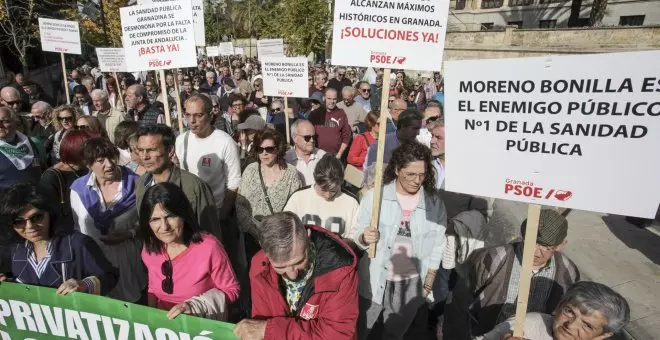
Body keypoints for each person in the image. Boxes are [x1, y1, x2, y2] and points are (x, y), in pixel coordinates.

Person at [354, 142, 446, 340]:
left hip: (410, 283)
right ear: (397, 170)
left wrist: (429, 279)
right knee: (363, 331)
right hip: (374, 278)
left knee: (394, 334)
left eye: (422, 174)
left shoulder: (434, 204)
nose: (417, 180)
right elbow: (356, 233)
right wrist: (363, 237)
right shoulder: (374, 198)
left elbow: (438, 243)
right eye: (410, 174)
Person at [443, 209, 581, 339]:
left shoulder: (568, 272)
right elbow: (473, 287)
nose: (536, 252)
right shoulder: (494, 258)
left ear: (561, 245)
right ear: (524, 235)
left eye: (547, 247)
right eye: (533, 242)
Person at [233, 212, 358, 340]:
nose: (292, 274)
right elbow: (261, 318)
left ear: (307, 237)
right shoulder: (260, 266)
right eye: (280, 267)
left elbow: (338, 334)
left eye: (299, 262)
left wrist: (270, 330)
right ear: (266, 254)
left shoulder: (339, 269)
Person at [139, 183, 239, 320]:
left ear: (183, 215)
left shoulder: (208, 247)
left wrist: (195, 306)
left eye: (170, 216)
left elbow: (231, 290)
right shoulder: (149, 248)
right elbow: (152, 289)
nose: (164, 227)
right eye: (155, 219)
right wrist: (151, 320)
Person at [0, 183, 118, 295]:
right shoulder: (15, 250)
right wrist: (9, 284)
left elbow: (110, 276)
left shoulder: (78, 244)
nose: (29, 226)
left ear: (50, 213)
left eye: (37, 217)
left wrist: (84, 285)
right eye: (19, 222)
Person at [70, 137, 147, 303]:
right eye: (100, 160)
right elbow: (78, 229)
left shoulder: (137, 184)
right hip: (96, 269)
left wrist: (129, 233)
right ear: (89, 164)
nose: (109, 164)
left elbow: (149, 222)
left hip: (129, 265)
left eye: (112, 157)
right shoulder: (78, 190)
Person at [134, 125, 219, 236]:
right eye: (141, 150)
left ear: (170, 151)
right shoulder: (141, 184)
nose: (145, 157)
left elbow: (210, 235)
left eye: (152, 150)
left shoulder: (194, 187)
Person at [480, 281, 630, 340]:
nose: (570, 326)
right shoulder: (528, 325)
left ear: (604, 335)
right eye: (569, 311)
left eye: (587, 325)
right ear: (558, 305)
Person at [175, 94, 241, 222]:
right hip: (187, 212)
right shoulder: (181, 140)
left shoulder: (225, 142)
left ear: (210, 116)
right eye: (188, 115)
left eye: (198, 115)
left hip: (214, 211)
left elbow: (234, 182)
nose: (192, 121)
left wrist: (223, 215)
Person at [236, 128, 301, 238]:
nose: (264, 153)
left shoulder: (291, 173)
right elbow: (240, 204)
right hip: (250, 238)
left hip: (279, 237)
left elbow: (296, 208)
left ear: (278, 149)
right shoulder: (250, 170)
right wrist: (253, 230)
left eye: (269, 149)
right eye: (259, 149)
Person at [284, 154, 359, 240]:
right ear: (315, 179)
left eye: (333, 190)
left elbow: (356, 239)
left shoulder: (351, 202)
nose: (328, 195)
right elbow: (285, 231)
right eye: (323, 190)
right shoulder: (298, 198)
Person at [38, 130, 93, 231]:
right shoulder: (51, 177)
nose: (93, 154)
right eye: (89, 151)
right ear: (76, 151)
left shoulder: (85, 169)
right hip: (67, 231)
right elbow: (48, 212)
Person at [363, 109, 424, 186]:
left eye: (419, 129)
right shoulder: (380, 146)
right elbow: (369, 175)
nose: (418, 133)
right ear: (402, 126)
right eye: (414, 129)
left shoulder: (417, 147)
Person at [0, 107, 42, 189]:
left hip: (34, 197)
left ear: (15, 122)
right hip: (6, 199)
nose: (0, 125)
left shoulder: (29, 142)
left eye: (5, 121)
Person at [308, 88, 351, 157]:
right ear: (324, 98)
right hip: (317, 154)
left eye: (334, 99)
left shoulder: (341, 114)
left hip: (335, 155)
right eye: (329, 98)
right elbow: (308, 134)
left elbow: (346, 136)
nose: (332, 101)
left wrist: (339, 154)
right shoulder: (315, 114)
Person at [286, 120, 326, 186]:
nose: (312, 140)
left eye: (314, 137)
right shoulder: (285, 160)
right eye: (307, 137)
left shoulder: (323, 157)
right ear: (294, 138)